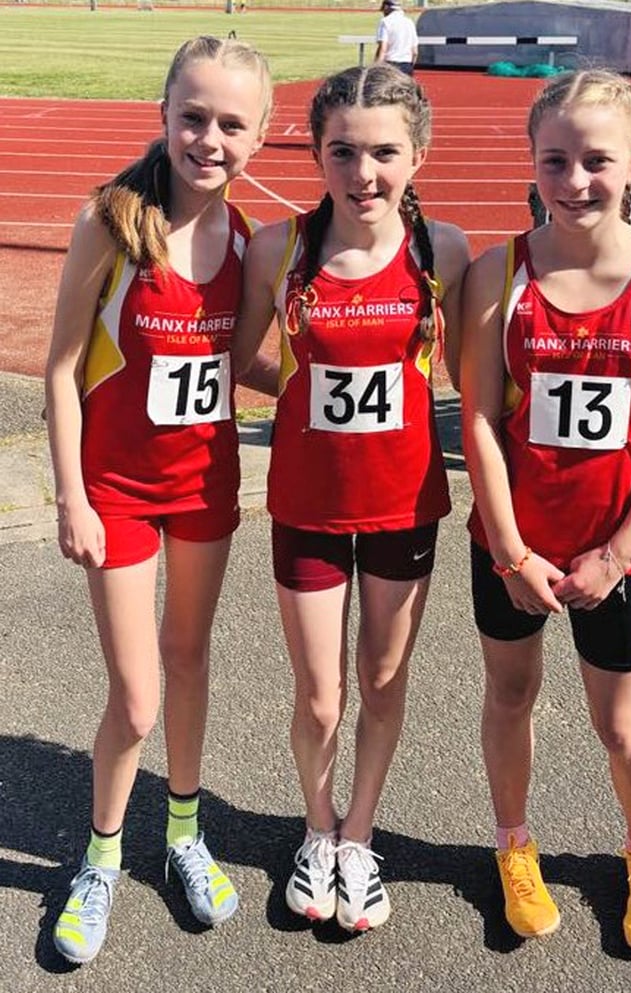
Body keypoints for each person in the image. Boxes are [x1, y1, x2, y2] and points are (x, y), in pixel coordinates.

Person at [460, 69, 631, 954]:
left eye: (596, 160)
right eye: (554, 160)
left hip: (618, 553)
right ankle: (513, 846)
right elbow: (480, 422)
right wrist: (510, 551)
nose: (573, 181)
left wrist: (616, 553)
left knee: (619, 723)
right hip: (513, 548)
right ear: (532, 162)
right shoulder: (500, 272)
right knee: (511, 694)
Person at [45, 35, 273, 964]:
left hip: (208, 488)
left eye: (230, 124)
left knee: (189, 657)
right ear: (164, 114)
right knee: (136, 696)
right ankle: (99, 857)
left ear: (259, 137)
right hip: (119, 492)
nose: (208, 138)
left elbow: (244, 363)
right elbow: (61, 368)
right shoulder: (113, 221)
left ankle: (182, 832)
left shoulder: (250, 241)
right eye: (193, 116)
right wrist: (70, 495)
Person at [233, 64, 469, 932]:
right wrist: (300, 388)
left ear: (417, 154)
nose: (362, 173)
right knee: (320, 692)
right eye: (342, 152)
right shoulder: (278, 248)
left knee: (381, 674)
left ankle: (360, 836)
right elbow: (243, 360)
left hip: (406, 501)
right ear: (319, 154)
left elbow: (472, 378)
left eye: (382, 153)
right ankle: (317, 828)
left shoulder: (441, 249)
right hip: (305, 501)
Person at [374, 0, 419, 76]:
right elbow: (415, 52)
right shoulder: (409, 22)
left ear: (386, 7)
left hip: (390, 65)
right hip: (406, 65)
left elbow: (383, 49)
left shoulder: (385, 22)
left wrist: (376, 68)